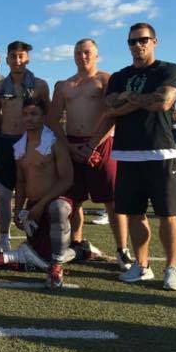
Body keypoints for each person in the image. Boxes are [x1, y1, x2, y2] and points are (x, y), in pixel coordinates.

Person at [0, 96, 76, 288]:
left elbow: (67, 180)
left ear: (43, 116)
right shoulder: (20, 147)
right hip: (34, 208)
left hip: (53, 203)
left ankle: (56, 266)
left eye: (34, 114)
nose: (29, 118)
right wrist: (18, 211)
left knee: (59, 208)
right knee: (38, 253)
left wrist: (40, 205)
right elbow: (21, 183)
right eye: (25, 114)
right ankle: (79, 251)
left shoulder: (55, 143)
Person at [105, 22, 176, 291]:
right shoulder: (118, 75)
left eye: (143, 40)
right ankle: (142, 265)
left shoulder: (168, 70)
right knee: (135, 214)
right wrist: (141, 99)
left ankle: (172, 268)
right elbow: (110, 108)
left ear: (154, 41)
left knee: (168, 214)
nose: (137, 45)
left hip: (160, 150)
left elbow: (163, 102)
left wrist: (128, 97)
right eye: (132, 41)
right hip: (127, 153)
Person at [48, 39, 131, 270]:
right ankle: (77, 242)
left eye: (87, 52)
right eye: (78, 52)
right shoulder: (65, 85)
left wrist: (93, 145)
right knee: (73, 200)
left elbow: (113, 114)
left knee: (111, 200)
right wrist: (68, 146)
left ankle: (122, 249)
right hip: (72, 145)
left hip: (101, 144)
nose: (82, 56)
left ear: (96, 55)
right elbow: (53, 119)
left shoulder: (106, 80)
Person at [0, 40, 50, 253]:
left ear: (28, 59)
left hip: (30, 142)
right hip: (5, 141)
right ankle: (4, 239)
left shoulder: (40, 85)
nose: (17, 60)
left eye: (21, 56)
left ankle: (35, 240)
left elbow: (48, 116)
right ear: (6, 60)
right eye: (13, 56)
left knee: (33, 192)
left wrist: (49, 143)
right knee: (4, 195)